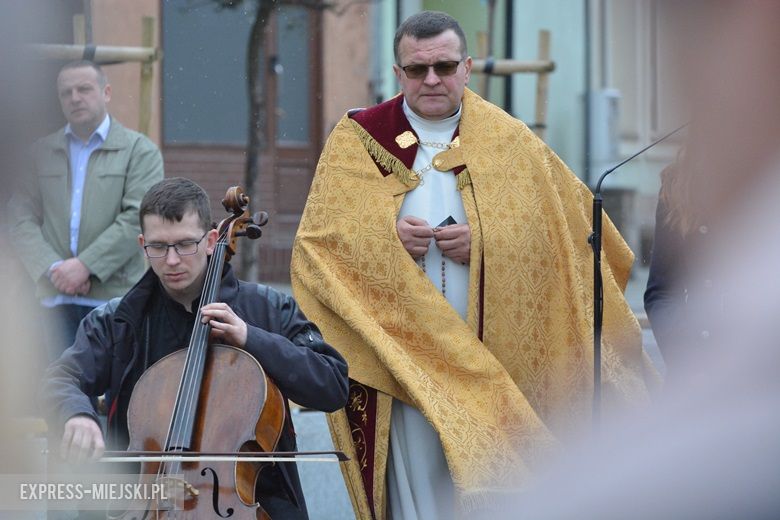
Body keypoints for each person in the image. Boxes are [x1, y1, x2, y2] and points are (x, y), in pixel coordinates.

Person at [291, 10, 655, 518]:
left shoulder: (511, 141)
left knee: (496, 473)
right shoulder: (358, 139)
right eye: (417, 70)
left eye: (444, 66)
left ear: (468, 67)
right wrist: (383, 238)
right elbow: (318, 246)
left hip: (494, 348)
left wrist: (489, 245)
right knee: (419, 478)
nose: (432, 80)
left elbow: (571, 241)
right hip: (403, 352)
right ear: (398, 74)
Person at [39, 177, 350, 518]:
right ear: (142, 244)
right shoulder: (118, 321)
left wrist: (252, 338)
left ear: (211, 240)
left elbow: (333, 385)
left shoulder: (268, 309)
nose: (171, 260)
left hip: (253, 505)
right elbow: (60, 378)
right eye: (158, 247)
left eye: (185, 244)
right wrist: (77, 415)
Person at [7, 60, 164, 364]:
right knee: (60, 394)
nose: (75, 98)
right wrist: (53, 268)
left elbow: (138, 218)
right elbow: (19, 218)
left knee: (117, 395)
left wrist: (86, 266)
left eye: (84, 89)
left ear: (106, 92)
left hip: (115, 297)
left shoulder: (140, 151)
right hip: (52, 300)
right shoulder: (39, 153)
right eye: (66, 93)